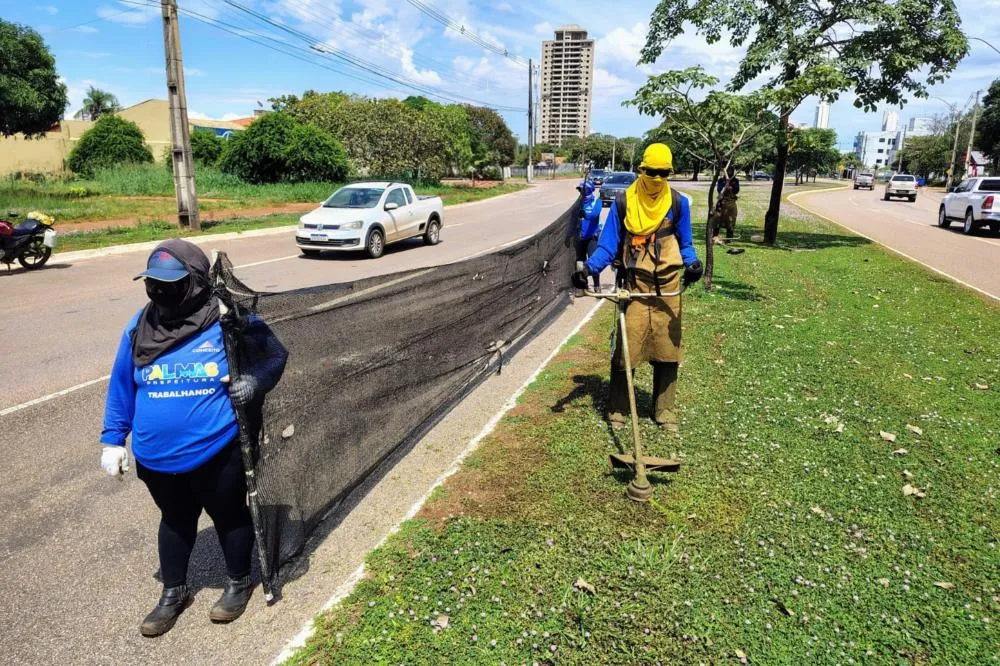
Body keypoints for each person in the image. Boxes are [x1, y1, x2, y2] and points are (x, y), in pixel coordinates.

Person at [99, 239, 287, 637]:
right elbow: (121, 385)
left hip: (216, 450)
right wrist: (113, 439)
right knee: (175, 521)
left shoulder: (227, 318)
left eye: (172, 283)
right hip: (155, 456)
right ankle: (174, 592)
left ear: (198, 282)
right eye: (153, 283)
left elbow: (274, 355)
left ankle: (237, 582)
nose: (160, 291)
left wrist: (254, 381)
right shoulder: (139, 327)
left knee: (228, 516)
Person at [572, 143, 703, 432]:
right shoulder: (624, 203)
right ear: (641, 170)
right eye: (651, 172)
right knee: (626, 351)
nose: (656, 178)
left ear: (669, 173)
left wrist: (693, 263)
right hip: (634, 288)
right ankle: (617, 408)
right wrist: (589, 269)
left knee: (669, 353)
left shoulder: (678, 203)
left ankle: (665, 411)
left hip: (668, 291)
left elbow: (686, 244)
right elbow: (608, 246)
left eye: (662, 173)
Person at [574, 177, 603, 290]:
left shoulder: (597, 202)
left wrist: (584, 214)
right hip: (580, 238)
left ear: (588, 190)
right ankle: (582, 287)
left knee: (593, 262)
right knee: (580, 263)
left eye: (582, 190)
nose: (580, 192)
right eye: (580, 190)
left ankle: (597, 285)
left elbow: (594, 214)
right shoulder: (578, 203)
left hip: (592, 238)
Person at [712, 165, 740, 244]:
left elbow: (737, 190)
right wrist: (725, 187)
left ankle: (729, 238)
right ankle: (715, 237)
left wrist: (731, 188)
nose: (730, 172)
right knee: (717, 219)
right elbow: (719, 189)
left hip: (731, 203)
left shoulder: (735, 181)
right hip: (721, 203)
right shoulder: (721, 180)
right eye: (728, 171)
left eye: (731, 171)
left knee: (731, 220)